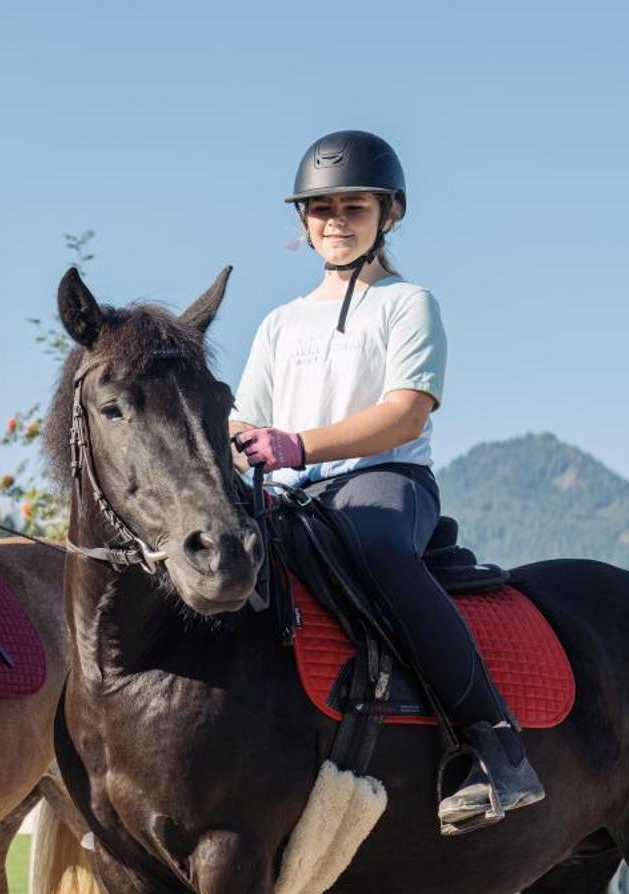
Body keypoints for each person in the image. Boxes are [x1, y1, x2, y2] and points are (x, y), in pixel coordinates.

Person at [229, 129, 544, 836]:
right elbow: (244, 416)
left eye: (353, 208)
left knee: (377, 550)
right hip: (294, 493)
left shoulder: (409, 303)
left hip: (384, 481)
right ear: (303, 222)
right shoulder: (279, 324)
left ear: (388, 215)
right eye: (321, 210)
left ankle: (493, 743)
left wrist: (298, 442)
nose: (336, 222)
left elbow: (405, 412)